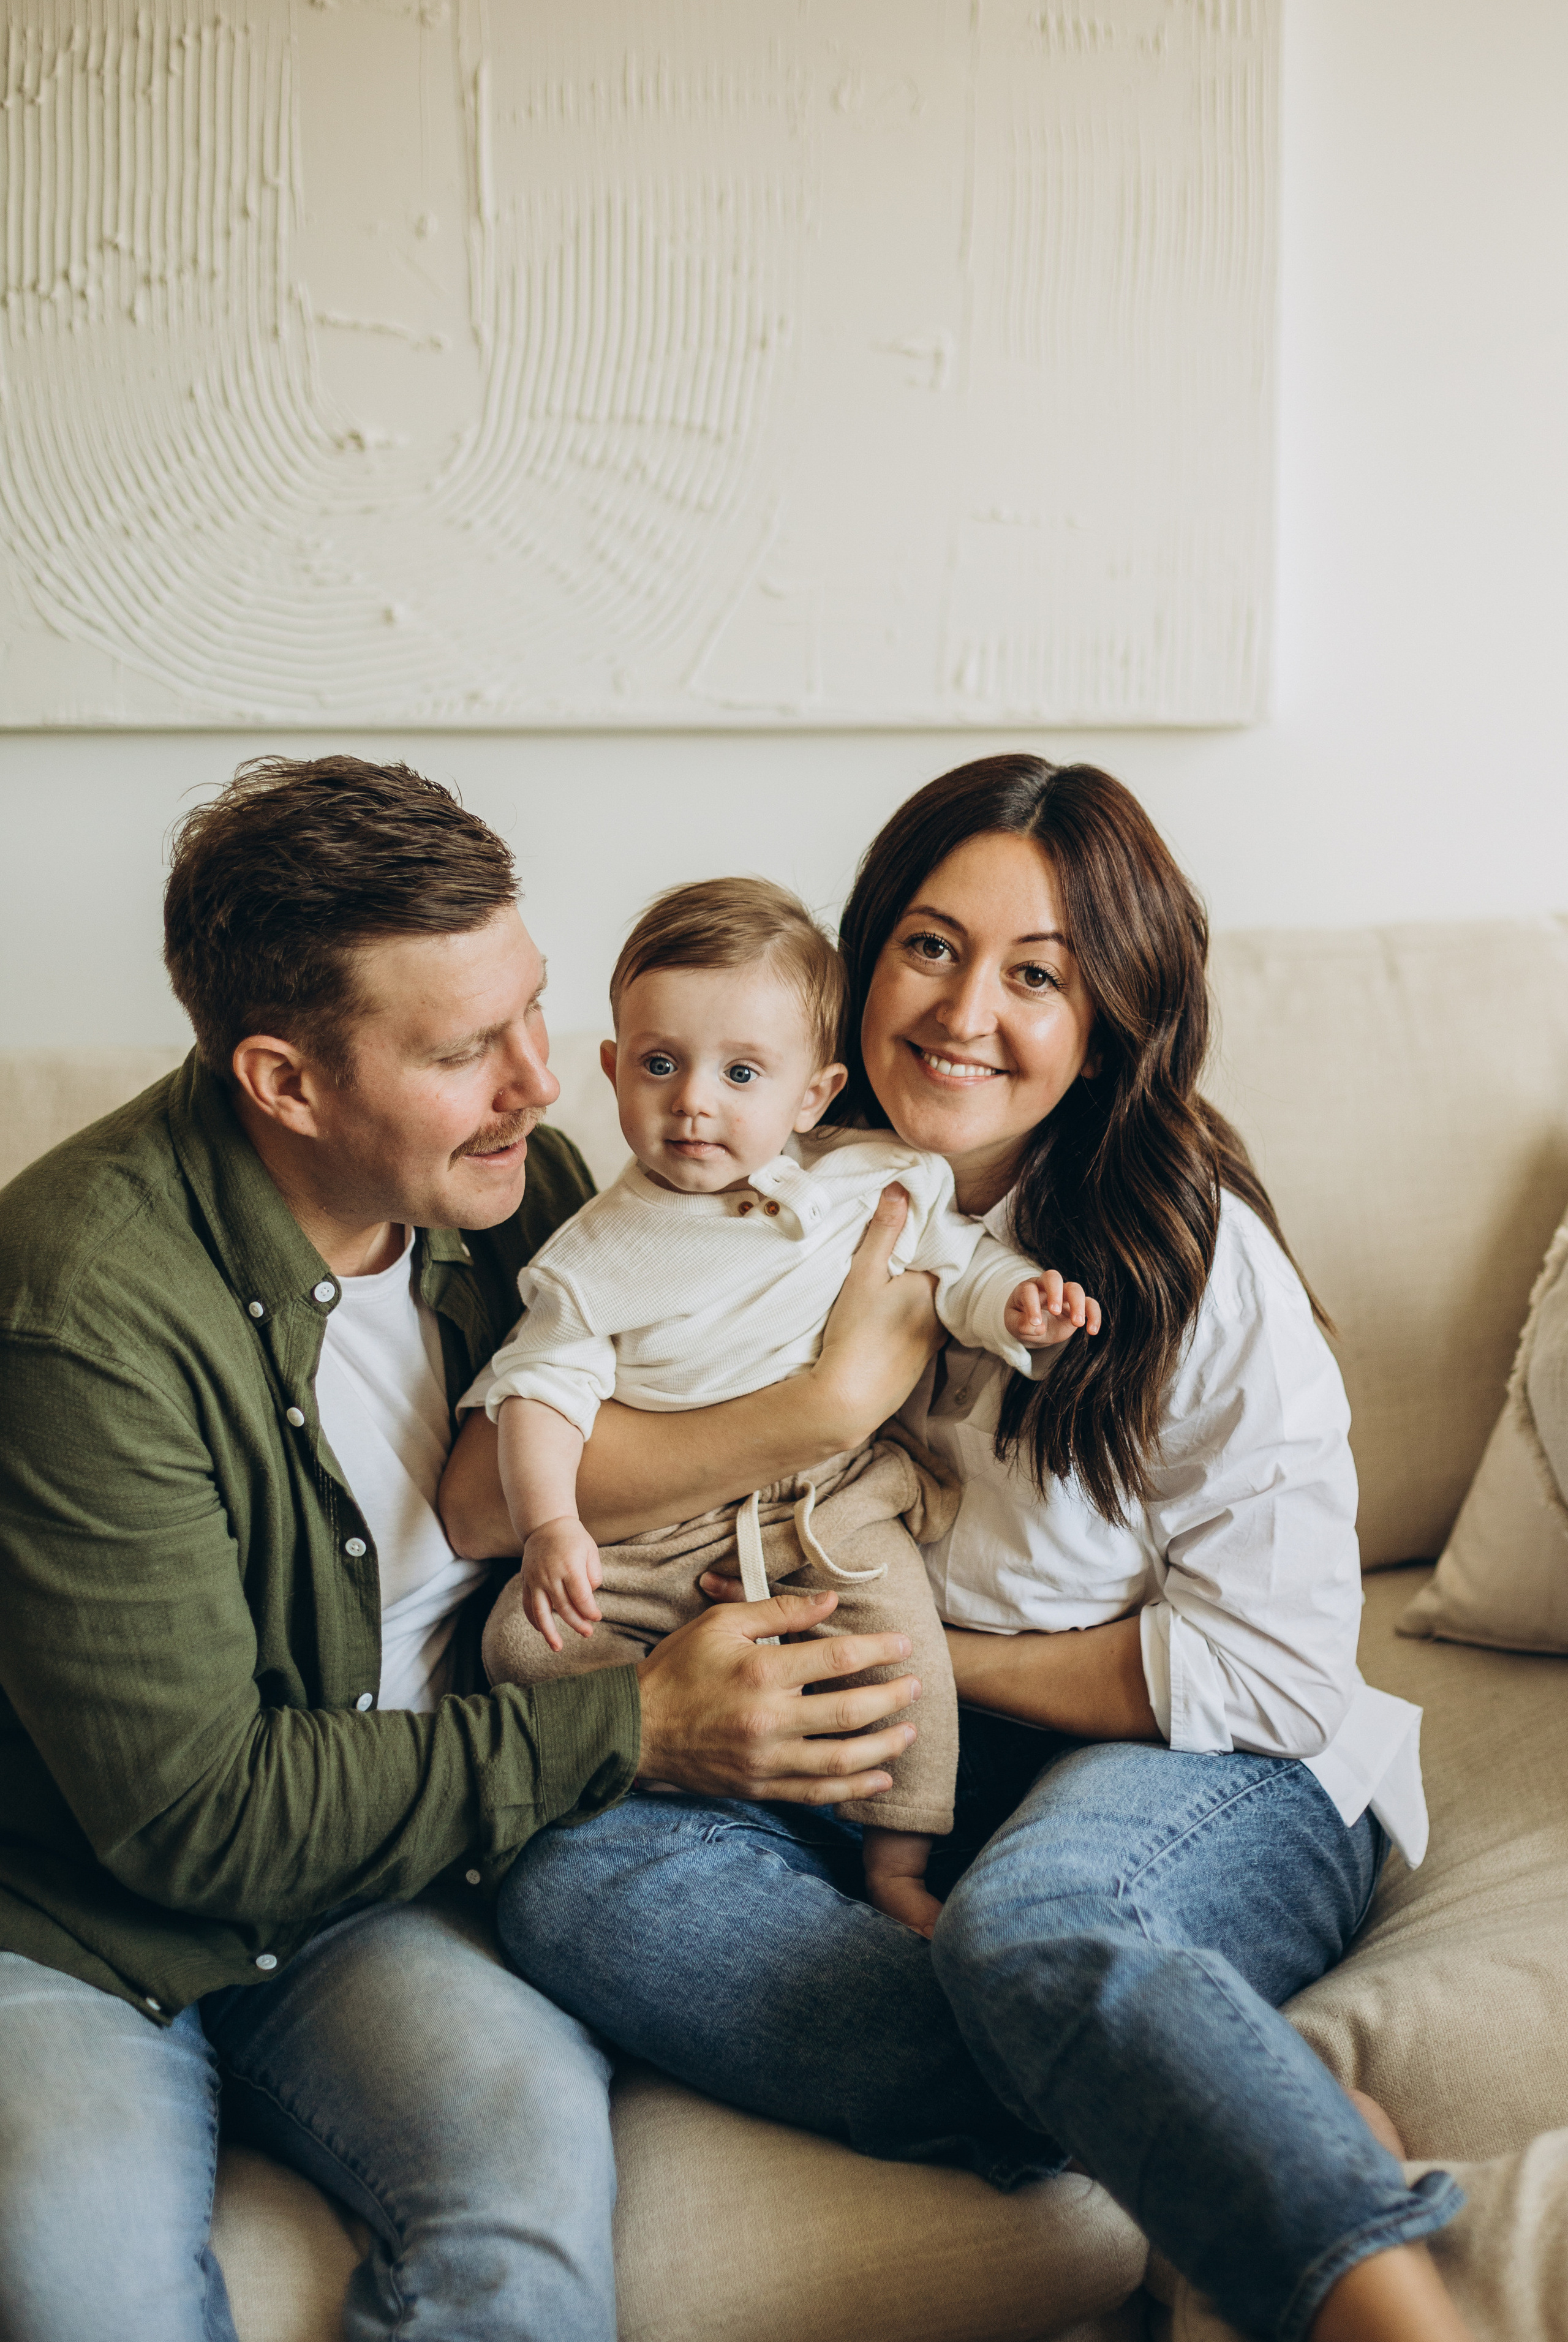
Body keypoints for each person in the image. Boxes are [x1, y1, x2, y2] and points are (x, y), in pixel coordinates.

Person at [444, 756, 1474, 2342]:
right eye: (930, 947)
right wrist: (814, 1410)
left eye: (1038, 975)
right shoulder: (757, 1167)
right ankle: (1224, 2105)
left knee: (1036, 1930)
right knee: (575, 1878)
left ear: (1109, 1016)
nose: (963, 1011)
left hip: (1217, 1759)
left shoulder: (1184, 1254)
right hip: (871, 1774)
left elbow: (1271, 1669)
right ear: (862, 964)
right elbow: (479, 1495)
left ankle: (1380, 2299)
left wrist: (905, 1667)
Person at [0, 755, 934, 2342]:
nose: (538, 1082)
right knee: (94, 2299)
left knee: (528, 2194)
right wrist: (631, 1726)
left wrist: (815, 1424)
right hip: (81, 1918)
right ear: (285, 1082)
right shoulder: (81, 1310)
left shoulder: (523, 1200)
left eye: (533, 1015)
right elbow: (193, 1817)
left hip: (381, 1892)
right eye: (462, 1050)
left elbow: (583, 1465)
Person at [470, 874, 1098, 1933]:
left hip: (827, 1508)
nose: (694, 1101)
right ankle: (700, 1743)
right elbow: (540, 1392)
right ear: (616, 1071)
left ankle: (898, 1865)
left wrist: (1018, 1307)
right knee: (518, 1650)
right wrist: (551, 1525)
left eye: (742, 1072)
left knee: (903, 1654)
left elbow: (957, 1267)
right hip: (648, 1544)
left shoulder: (873, 1181)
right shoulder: (590, 1257)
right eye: (661, 1066)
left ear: (813, 1094)